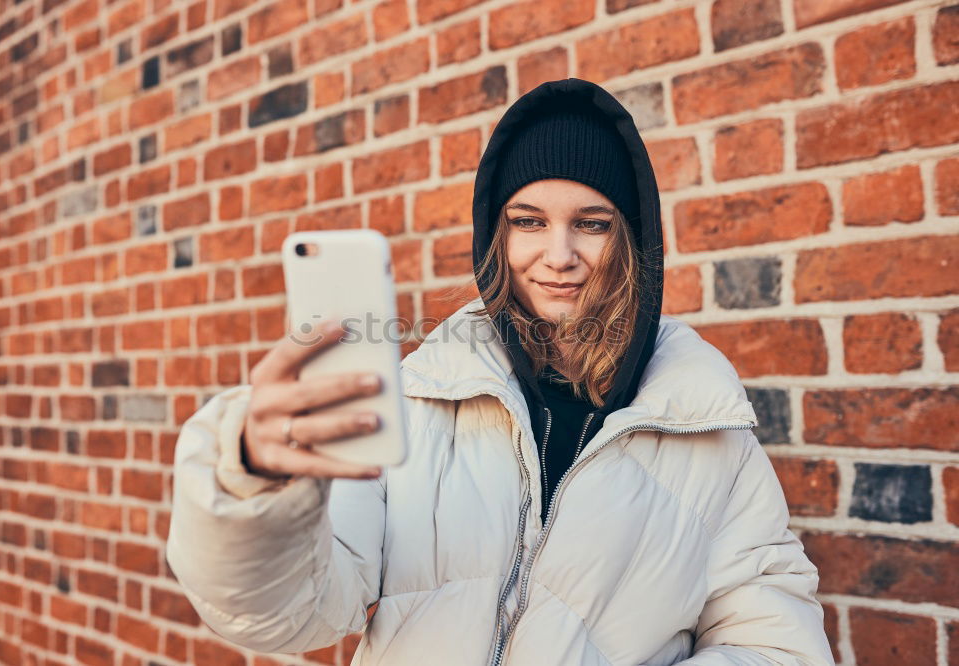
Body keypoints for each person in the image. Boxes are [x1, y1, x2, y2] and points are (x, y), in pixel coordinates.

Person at [166, 78, 834, 665]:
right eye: (529, 221)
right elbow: (291, 613)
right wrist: (255, 482)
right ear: (498, 234)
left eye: (592, 224)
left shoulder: (708, 431)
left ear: (631, 240)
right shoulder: (418, 402)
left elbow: (779, 644)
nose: (559, 254)